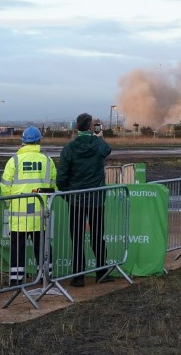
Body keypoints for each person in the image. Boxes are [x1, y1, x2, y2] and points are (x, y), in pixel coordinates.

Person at [57, 112, 112, 288]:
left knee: (77, 238)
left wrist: (68, 194)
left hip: (76, 199)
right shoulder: (98, 145)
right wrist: (99, 137)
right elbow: (107, 150)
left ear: (76, 127)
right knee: (98, 236)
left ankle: (78, 276)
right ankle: (101, 272)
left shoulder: (69, 149)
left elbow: (61, 178)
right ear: (90, 127)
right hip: (95, 199)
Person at [0, 126, 56, 286]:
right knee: (43, 246)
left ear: (23, 141)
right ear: (39, 141)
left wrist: (8, 202)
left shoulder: (14, 161)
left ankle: (16, 280)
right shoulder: (47, 160)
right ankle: (47, 277)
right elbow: (54, 185)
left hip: (19, 214)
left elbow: (5, 187)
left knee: (18, 248)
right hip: (40, 212)